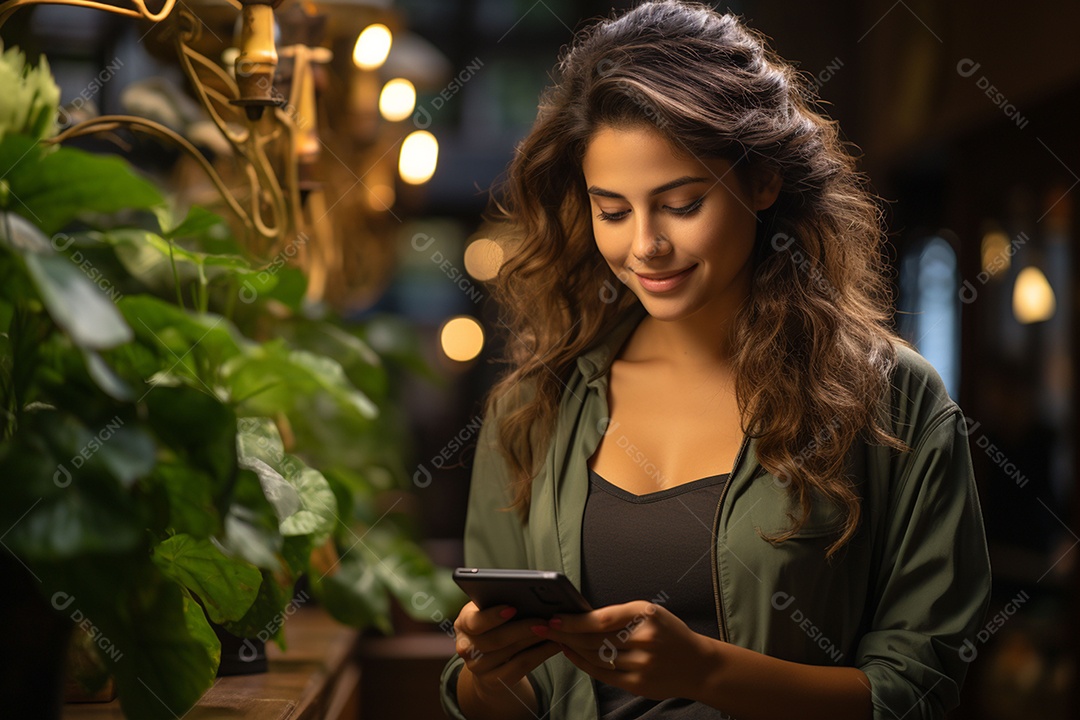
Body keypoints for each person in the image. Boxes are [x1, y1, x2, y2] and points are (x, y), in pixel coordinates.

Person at [439, 2, 992, 719]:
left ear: (762, 182)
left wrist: (707, 672)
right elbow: (500, 706)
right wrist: (490, 674)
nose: (645, 245)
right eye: (613, 210)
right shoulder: (531, 405)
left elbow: (920, 690)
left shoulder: (888, 400)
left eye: (682, 202)